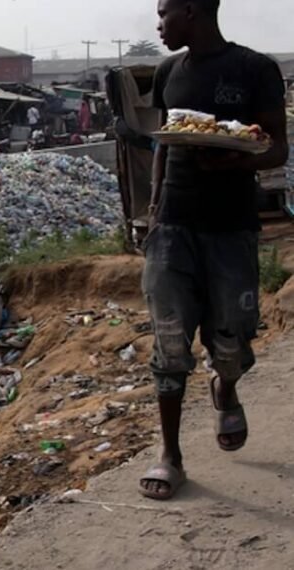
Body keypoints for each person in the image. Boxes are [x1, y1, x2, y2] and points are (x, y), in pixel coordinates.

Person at [138, 0, 288, 501]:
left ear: (192, 11)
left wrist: (233, 162)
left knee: (232, 339)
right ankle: (170, 456)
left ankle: (225, 386)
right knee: (169, 340)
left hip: (230, 226)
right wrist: (154, 211)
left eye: (164, 12)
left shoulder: (254, 69)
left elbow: (277, 147)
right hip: (173, 225)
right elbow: (164, 144)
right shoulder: (167, 72)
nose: (158, 24)